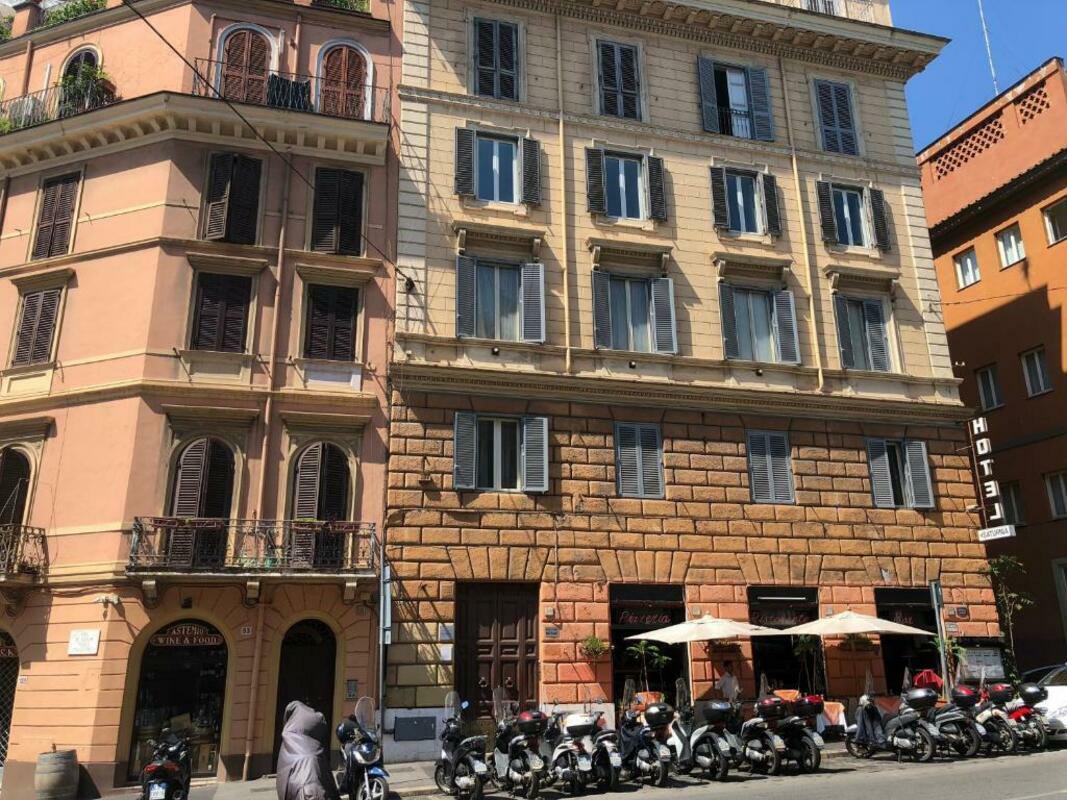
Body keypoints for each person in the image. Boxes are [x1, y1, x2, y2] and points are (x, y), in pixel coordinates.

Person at [276, 701, 340, 800]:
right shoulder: (317, 750)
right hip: (313, 789)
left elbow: (282, 775)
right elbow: (329, 782)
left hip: (300, 789)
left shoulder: (288, 737)